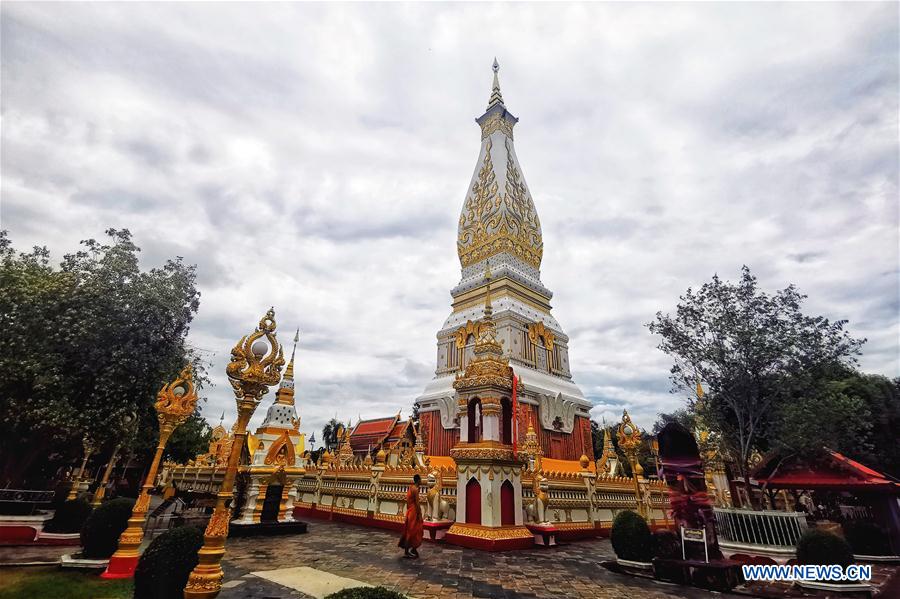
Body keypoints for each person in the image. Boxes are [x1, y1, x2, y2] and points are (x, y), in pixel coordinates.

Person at [399, 473, 423, 558]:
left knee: (414, 530)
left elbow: (409, 501)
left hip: (410, 510)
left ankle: (413, 548)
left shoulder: (411, 488)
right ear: (418, 480)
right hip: (413, 511)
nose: (422, 481)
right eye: (421, 479)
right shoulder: (415, 490)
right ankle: (407, 551)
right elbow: (417, 503)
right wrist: (420, 514)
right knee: (413, 530)